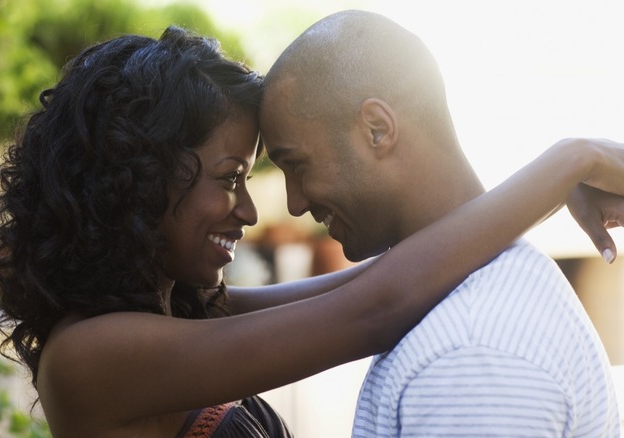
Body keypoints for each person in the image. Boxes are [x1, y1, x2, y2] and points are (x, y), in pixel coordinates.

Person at [0, 26, 624, 437]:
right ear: (139, 180)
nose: (253, 211)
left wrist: (543, 196)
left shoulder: (182, 311)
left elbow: (390, 274)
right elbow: (375, 306)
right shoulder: (91, 359)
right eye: (231, 176)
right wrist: (573, 158)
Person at [259, 10, 621, 437]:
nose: (295, 204)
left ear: (377, 129)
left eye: (297, 166)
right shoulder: (466, 309)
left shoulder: (469, 353)